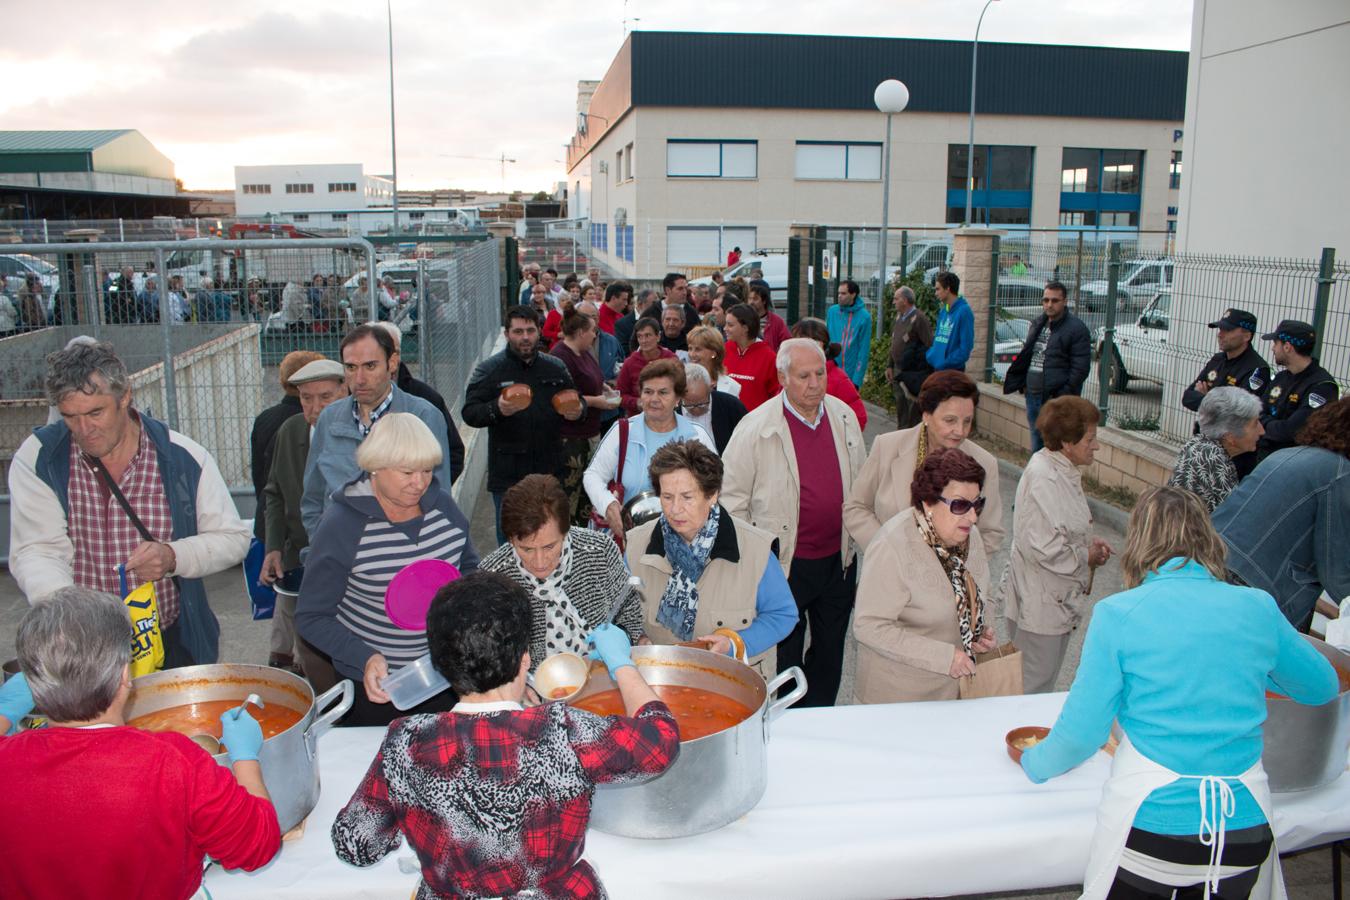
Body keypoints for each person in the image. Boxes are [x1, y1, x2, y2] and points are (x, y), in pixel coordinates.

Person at [1020, 486, 1339, 899]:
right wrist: (1258, 668)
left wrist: (1035, 764)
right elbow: (1322, 687)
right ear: (1208, 539)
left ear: (1139, 543)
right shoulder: (1256, 606)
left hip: (1153, 827)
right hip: (1244, 830)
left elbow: (1083, 734)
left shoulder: (1119, 614)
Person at [331, 571, 679, 900]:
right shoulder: (561, 731)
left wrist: (412, 823)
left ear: (440, 664)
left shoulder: (406, 742)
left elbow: (356, 846)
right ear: (525, 659)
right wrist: (622, 664)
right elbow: (660, 739)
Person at [0, 587, 281, 893]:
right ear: (124, 675)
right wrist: (245, 758)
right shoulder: (173, 761)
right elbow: (258, 843)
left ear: (33, 680)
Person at [8, 340, 249, 667]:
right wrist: (68, 609)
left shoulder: (182, 457)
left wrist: (172, 555)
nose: (84, 429)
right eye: (70, 416)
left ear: (125, 396)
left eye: (95, 412)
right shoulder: (40, 458)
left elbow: (233, 538)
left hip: (169, 640)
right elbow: (36, 549)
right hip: (82, 646)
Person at [297, 414, 479, 726]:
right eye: (407, 472)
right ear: (375, 467)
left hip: (442, 676)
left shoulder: (445, 509)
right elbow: (311, 617)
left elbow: (470, 571)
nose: (420, 483)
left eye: (426, 470)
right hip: (375, 688)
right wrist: (363, 657)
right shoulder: (343, 524)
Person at [722, 338, 866, 707]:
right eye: (803, 376)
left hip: (839, 560)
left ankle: (820, 719)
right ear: (782, 377)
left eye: (820, 373)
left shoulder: (843, 416)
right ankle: (786, 721)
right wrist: (756, 561)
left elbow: (861, 484)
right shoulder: (756, 428)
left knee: (831, 648)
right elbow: (731, 501)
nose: (815, 383)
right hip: (783, 565)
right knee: (783, 653)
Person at [627, 440, 798, 679]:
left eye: (687, 497)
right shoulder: (635, 545)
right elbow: (620, 613)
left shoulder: (755, 550)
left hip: (732, 685)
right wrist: (636, 638)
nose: (675, 509)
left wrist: (735, 644)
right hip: (657, 681)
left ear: (712, 495)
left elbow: (783, 615)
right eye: (667, 497)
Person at [852, 448, 998, 703]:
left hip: (957, 695)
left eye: (977, 504)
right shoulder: (893, 546)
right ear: (928, 502)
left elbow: (982, 593)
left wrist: (979, 630)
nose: (973, 516)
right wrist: (944, 657)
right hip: (899, 701)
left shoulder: (969, 536)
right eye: (961, 505)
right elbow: (869, 627)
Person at [999, 396, 1114, 694]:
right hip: (1040, 605)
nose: (1096, 446)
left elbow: (1062, 528)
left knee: (1038, 684)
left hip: (1053, 602)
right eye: (1090, 439)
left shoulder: (1059, 470)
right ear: (1067, 442)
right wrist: (1085, 555)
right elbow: (1044, 547)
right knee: (1030, 690)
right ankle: (1020, 740)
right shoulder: (1045, 478)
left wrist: (1088, 543)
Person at [302, 324, 456, 537]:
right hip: (340, 557)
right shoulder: (329, 419)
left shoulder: (423, 416)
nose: (360, 379)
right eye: (351, 368)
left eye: (370, 366)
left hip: (400, 555)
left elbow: (438, 498)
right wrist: (320, 544)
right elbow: (312, 496)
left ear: (392, 363)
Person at [1213, 398, 1350, 630]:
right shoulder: (1339, 475)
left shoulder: (1290, 455)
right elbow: (1337, 573)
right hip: (1252, 594)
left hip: (1206, 560)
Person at [479, 475, 644, 664]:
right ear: (510, 540)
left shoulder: (599, 552)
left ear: (566, 531)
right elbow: (486, 653)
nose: (540, 562)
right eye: (526, 549)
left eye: (549, 547)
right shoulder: (492, 579)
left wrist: (622, 642)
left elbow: (631, 616)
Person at [844, 369, 1003, 557]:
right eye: (950, 420)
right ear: (926, 415)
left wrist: (954, 566)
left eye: (967, 421)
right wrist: (887, 549)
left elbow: (990, 534)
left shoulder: (984, 463)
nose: (960, 431)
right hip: (888, 573)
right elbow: (856, 508)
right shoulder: (887, 447)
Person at [462, 304, 586, 543]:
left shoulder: (556, 367)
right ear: (507, 334)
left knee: (551, 539)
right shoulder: (490, 369)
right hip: (508, 477)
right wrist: (496, 408)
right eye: (518, 332)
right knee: (511, 544)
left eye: (530, 330)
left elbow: (576, 400)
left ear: (539, 332)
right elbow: (469, 412)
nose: (525, 337)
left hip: (549, 472)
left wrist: (578, 410)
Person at [261, 358, 348, 676]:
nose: (315, 407)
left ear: (345, 391)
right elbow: (274, 493)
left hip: (350, 567)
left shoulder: (363, 435)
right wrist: (272, 548)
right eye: (306, 398)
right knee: (310, 651)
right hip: (301, 560)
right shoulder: (290, 431)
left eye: (325, 397)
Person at [585, 358, 716, 538]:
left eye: (663, 392)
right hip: (626, 537)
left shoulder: (696, 436)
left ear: (677, 398)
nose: (654, 399)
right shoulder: (622, 431)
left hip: (683, 536)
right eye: (648, 392)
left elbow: (715, 485)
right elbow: (593, 475)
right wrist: (608, 505)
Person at [371, 321, 466, 485]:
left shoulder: (427, 400)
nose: (391, 361)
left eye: (396, 352)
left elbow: (454, 454)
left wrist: (424, 494)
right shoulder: (347, 406)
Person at [1001, 281, 1092, 452]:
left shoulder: (1076, 329)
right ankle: (1038, 477)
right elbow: (1028, 354)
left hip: (1055, 399)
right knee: (1037, 441)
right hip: (1033, 395)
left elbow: (1080, 368)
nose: (1049, 304)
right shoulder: (1038, 323)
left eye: (1055, 300)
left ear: (1064, 302)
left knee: (1055, 445)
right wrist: (1024, 385)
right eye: (1046, 300)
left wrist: (1062, 395)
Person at [250, 350, 323, 549]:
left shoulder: (265, 419)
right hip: (293, 532)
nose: (316, 406)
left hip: (271, 524)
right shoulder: (298, 425)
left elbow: (259, 476)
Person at [550, 309, 616, 524]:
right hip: (572, 439)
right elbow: (564, 399)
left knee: (590, 491)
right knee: (572, 492)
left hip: (591, 433)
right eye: (592, 331)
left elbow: (593, 376)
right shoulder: (560, 357)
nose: (595, 335)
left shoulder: (584, 351)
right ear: (580, 332)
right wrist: (597, 401)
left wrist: (603, 386)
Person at [1168, 387, 1264, 512]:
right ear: (1230, 436)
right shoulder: (1212, 458)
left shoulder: (1200, 444)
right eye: (1255, 424)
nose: (1262, 431)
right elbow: (1234, 517)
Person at [1255, 319, 1338, 461]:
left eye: (1275, 343)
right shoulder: (1281, 377)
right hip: (1265, 453)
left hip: (1292, 460)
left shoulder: (1322, 386)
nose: (1272, 349)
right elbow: (1255, 412)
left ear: (1287, 347)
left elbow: (1292, 431)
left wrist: (1262, 425)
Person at [1180, 307, 1270, 415]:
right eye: (1220, 329)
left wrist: (1207, 398)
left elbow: (1238, 413)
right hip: (1206, 431)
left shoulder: (1257, 370)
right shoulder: (1217, 360)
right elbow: (1187, 397)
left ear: (1247, 336)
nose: (1220, 334)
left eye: (1227, 330)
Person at [791, 317, 868, 429]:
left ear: (822, 347)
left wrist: (829, 435)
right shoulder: (789, 376)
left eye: (807, 345)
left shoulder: (838, 379)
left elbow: (859, 419)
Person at [887, 284, 933, 430]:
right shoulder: (899, 317)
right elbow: (894, 341)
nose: (893, 302)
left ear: (905, 300)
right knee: (900, 405)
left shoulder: (919, 319)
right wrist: (890, 365)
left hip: (912, 372)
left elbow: (929, 344)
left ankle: (914, 438)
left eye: (896, 299)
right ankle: (902, 435)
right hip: (898, 369)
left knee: (913, 408)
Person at [723, 302, 781, 411]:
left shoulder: (769, 357)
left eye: (730, 325)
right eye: (726, 324)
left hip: (756, 423)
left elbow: (776, 396)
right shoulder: (725, 349)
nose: (725, 328)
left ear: (745, 328)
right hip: (727, 420)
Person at [679, 362, 746, 454]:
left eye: (702, 404)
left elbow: (746, 440)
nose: (696, 409)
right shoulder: (671, 410)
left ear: (711, 388)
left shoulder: (731, 407)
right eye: (689, 405)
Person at [616, 316, 678, 415]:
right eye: (640, 336)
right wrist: (637, 402)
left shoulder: (671, 359)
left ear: (658, 336)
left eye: (648, 335)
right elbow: (620, 395)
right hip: (638, 418)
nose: (644, 340)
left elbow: (679, 388)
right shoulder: (630, 362)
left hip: (667, 415)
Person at [826, 280, 873, 388]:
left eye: (843, 293)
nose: (839, 296)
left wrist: (857, 380)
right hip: (831, 370)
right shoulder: (832, 311)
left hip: (850, 374)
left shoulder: (864, 317)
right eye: (838, 293)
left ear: (853, 294)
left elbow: (864, 350)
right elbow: (826, 337)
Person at [926, 271, 974, 372]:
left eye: (938, 289)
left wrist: (945, 362)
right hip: (938, 369)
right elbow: (938, 339)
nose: (936, 293)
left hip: (953, 371)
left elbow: (965, 349)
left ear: (947, 289)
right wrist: (932, 355)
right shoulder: (943, 311)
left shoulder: (964, 311)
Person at [640, 272, 700, 337]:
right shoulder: (650, 313)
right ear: (668, 290)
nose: (684, 292)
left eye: (685, 288)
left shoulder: (691, 313)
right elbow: (636, 339)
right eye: (680, 289)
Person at [687, 324, 741, 397]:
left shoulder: (732, 386)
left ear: (713, 353)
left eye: (698, 349)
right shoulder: (680, 382)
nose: (692, 354)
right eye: (690, 348)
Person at [747, 282, 791, 351]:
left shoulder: (776, 321)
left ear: (764, 301)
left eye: (755, 299)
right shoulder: (743, 319)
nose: (751, 302)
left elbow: (787, 342)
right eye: (749, 298)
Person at [616, 287, 656, 354]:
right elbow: (623, 350)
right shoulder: (622, 324)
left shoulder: (658, 319)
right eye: (654, 304)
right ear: (640, 304)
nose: (657, 306)